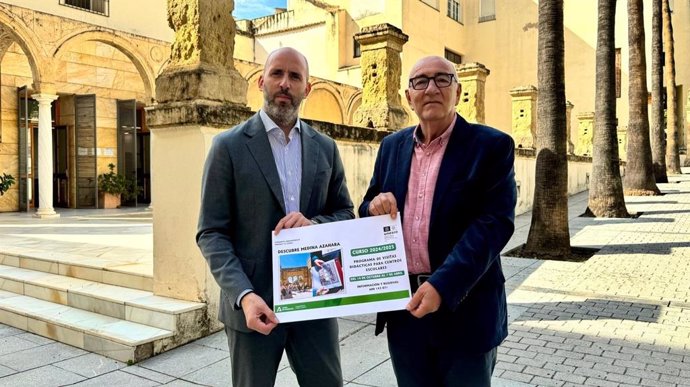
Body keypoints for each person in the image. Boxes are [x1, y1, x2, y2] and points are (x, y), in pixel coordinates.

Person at [196, 47, 354, 387]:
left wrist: (315, 225)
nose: (285, 83)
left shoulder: (325, 148)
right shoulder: (228, 147)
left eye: (295, 76)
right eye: (277, 73)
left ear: (307, 89)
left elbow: (345, 212)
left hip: (315, 303)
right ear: (261, 81)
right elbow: (211, 232)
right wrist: (244, 295)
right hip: (254, 306)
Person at [359, 56, 517, 387]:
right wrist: (373, 205)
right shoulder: (390, 147)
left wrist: (441, 286)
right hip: (404, 312)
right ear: (408, 97)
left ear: (458, 92)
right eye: (420, 81)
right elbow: (367, 206)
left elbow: (493, 224)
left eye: (442, 79)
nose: (431, 88)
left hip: (466, 310)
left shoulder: (491, 147)